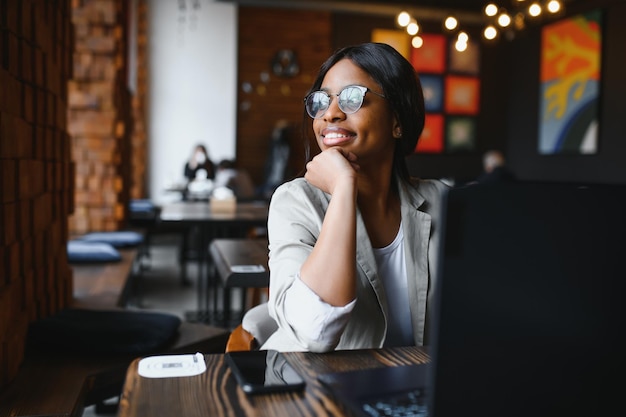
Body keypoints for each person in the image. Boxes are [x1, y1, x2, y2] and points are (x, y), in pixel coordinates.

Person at [261, 43, 448, 352]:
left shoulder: (442, 202)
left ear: (397, 121)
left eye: (352, 98)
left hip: (414, 389)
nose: (330, 114)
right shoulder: (294, 201)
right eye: (321, 101)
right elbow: (313, 331)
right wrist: (344, 187)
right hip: (314, 389)